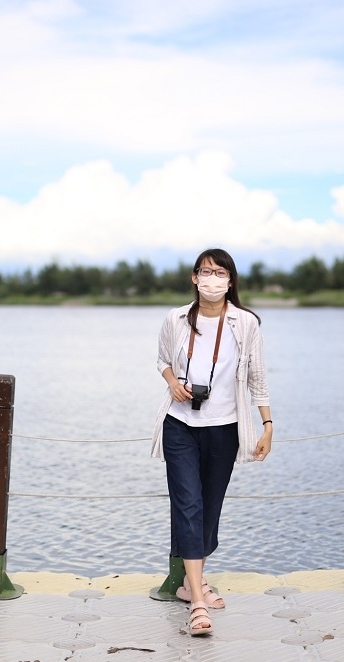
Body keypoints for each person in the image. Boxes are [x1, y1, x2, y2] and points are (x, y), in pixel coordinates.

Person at [151, 248, 273, 637]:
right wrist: (173, 383)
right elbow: (161, 361)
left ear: (231, 281)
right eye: (206, 272)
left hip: (224, 427)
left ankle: (191, 583)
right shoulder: (175, 319)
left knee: (210, 510)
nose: (212, 279)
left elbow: (257, 377)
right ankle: (199, 605)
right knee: (188, 504)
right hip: (180, 424)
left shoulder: (246, 323)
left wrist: (267, 423)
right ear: (194, 278)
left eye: (220, 273)